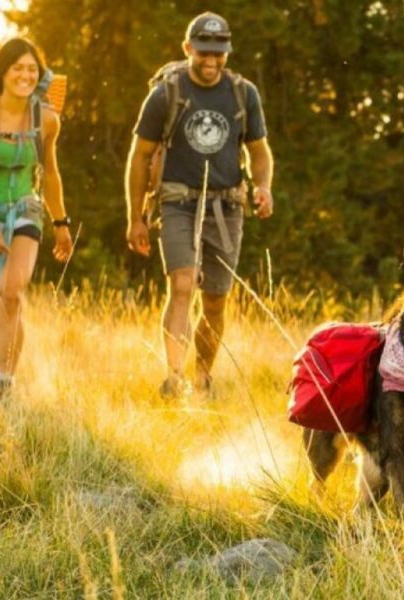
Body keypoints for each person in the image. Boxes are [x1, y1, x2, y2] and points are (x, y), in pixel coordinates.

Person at [125, 12, 274, 398]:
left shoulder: (244, 94)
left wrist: (264, 186)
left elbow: (260, 151)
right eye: (203, 52)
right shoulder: (166, 93)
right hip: (177, 202)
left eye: (219, 54)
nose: (211, 61)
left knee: (215, 301)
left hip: (226, 208)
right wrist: (136, 217)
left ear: (228, 52)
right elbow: (139, 157)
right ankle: (173, 379)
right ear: (188, 48)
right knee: (182, 284)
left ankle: (202, 377)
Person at [0, 37, 72, 399]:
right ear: (3, 72)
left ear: (39, 76)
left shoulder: (46, 120)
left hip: (23, 209)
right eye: (18, 67)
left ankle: (1, 384)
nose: (25, 75)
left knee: (11, 292)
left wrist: (61, 223)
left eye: (31, 69)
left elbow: (50, 174)